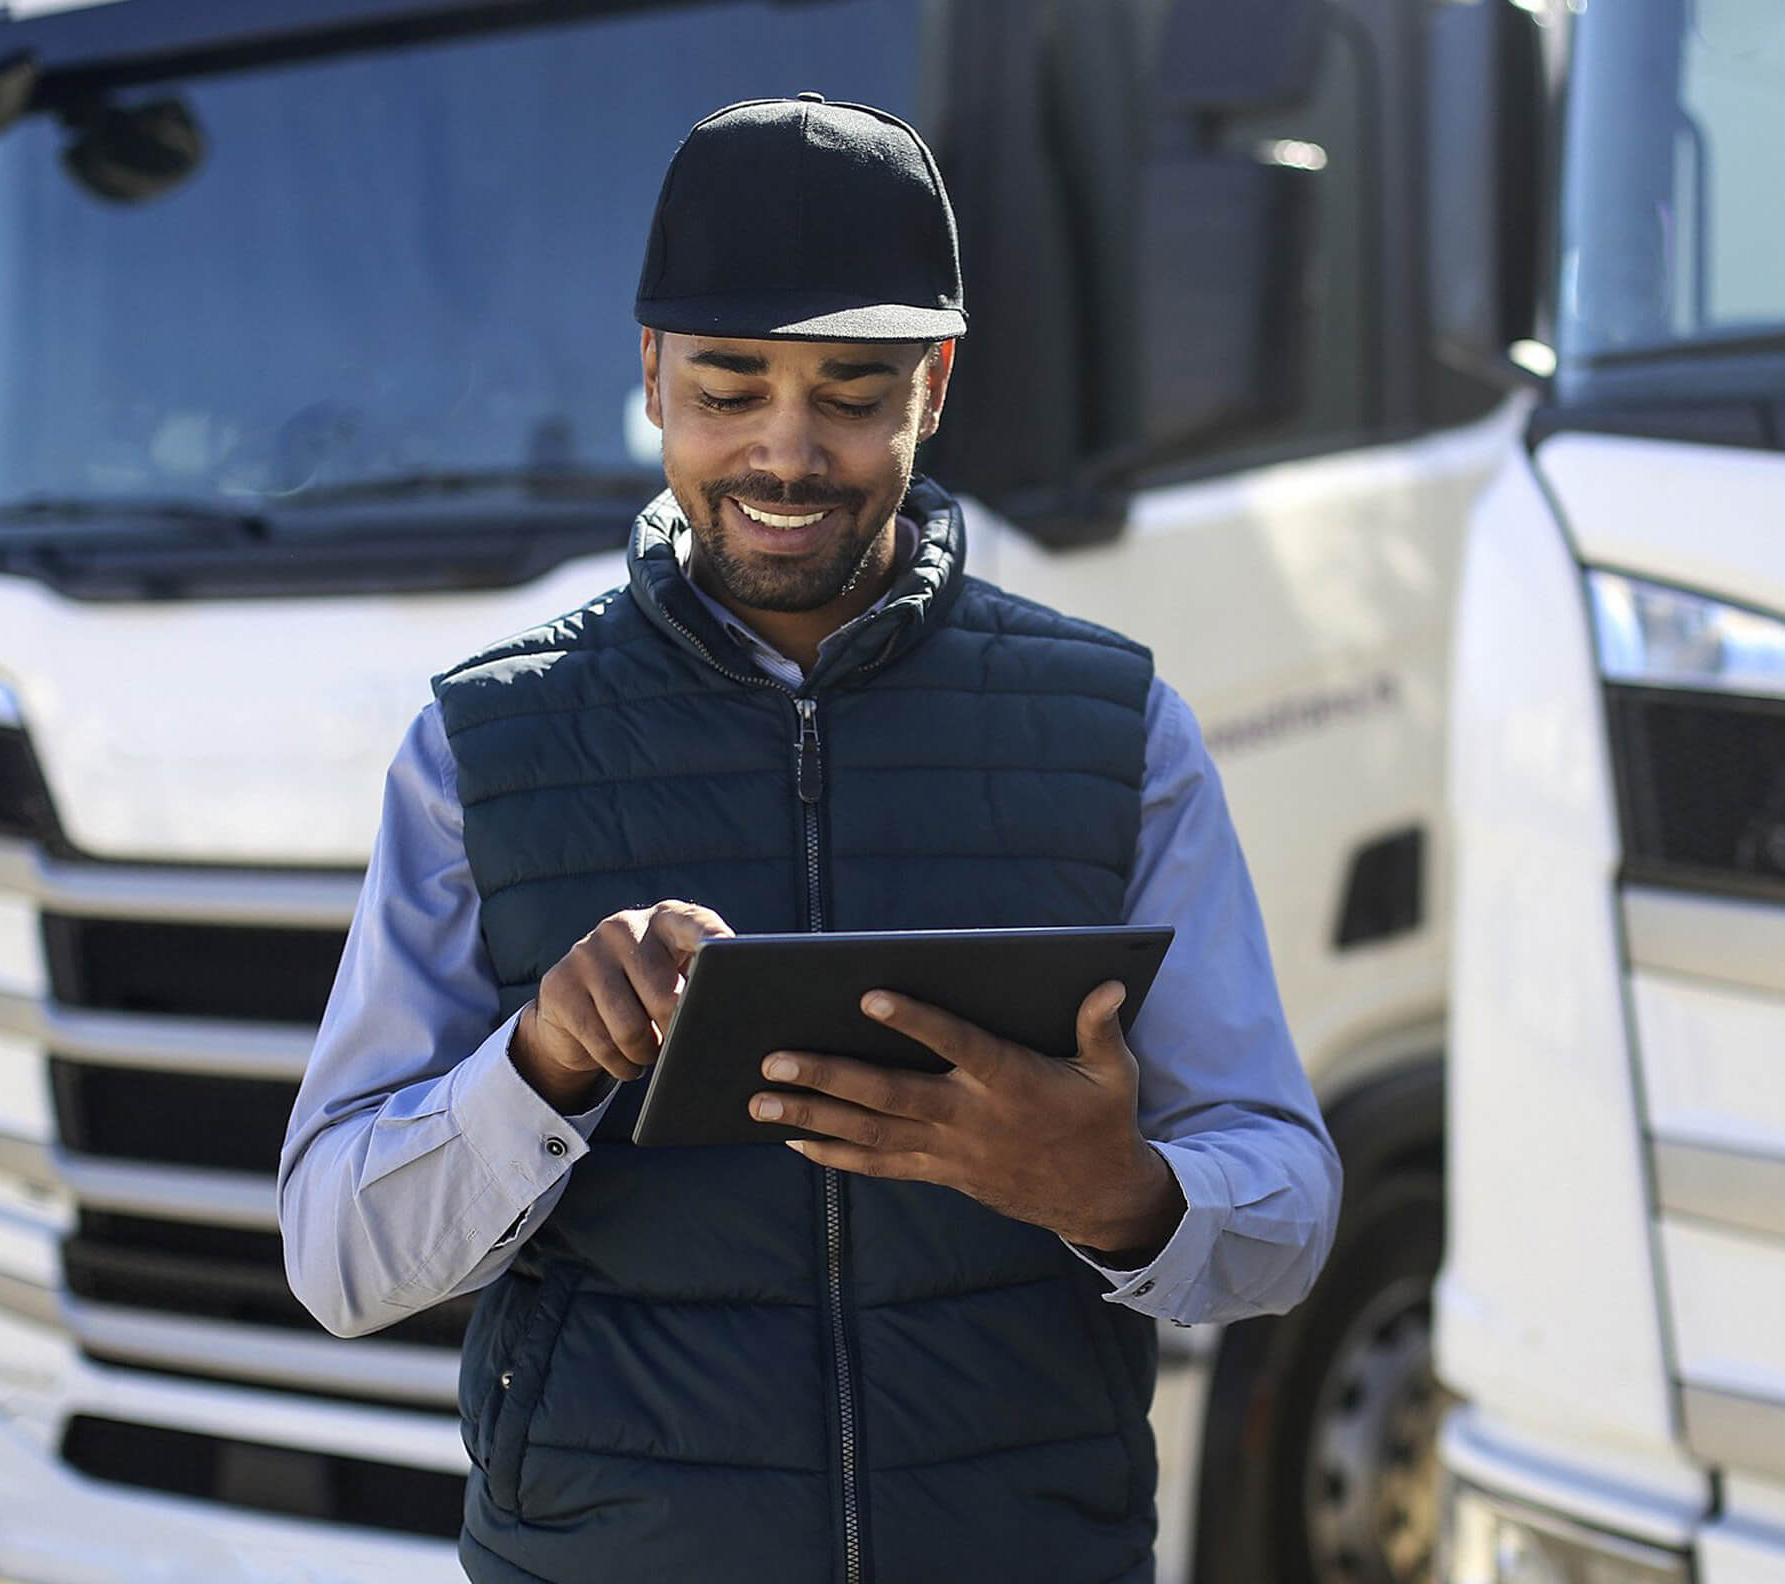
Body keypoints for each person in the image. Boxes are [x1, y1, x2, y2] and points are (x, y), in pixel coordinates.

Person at [278, 94, 1340, 1584]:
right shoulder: (480, 748)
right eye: (729, 388)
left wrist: (1120, 1197)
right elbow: (335, 1261)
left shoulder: (1117, 728)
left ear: (938, 384)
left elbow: (1285, 1207)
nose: (788, 453)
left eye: (852, 393)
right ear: (651, 377)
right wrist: (540, 1068)